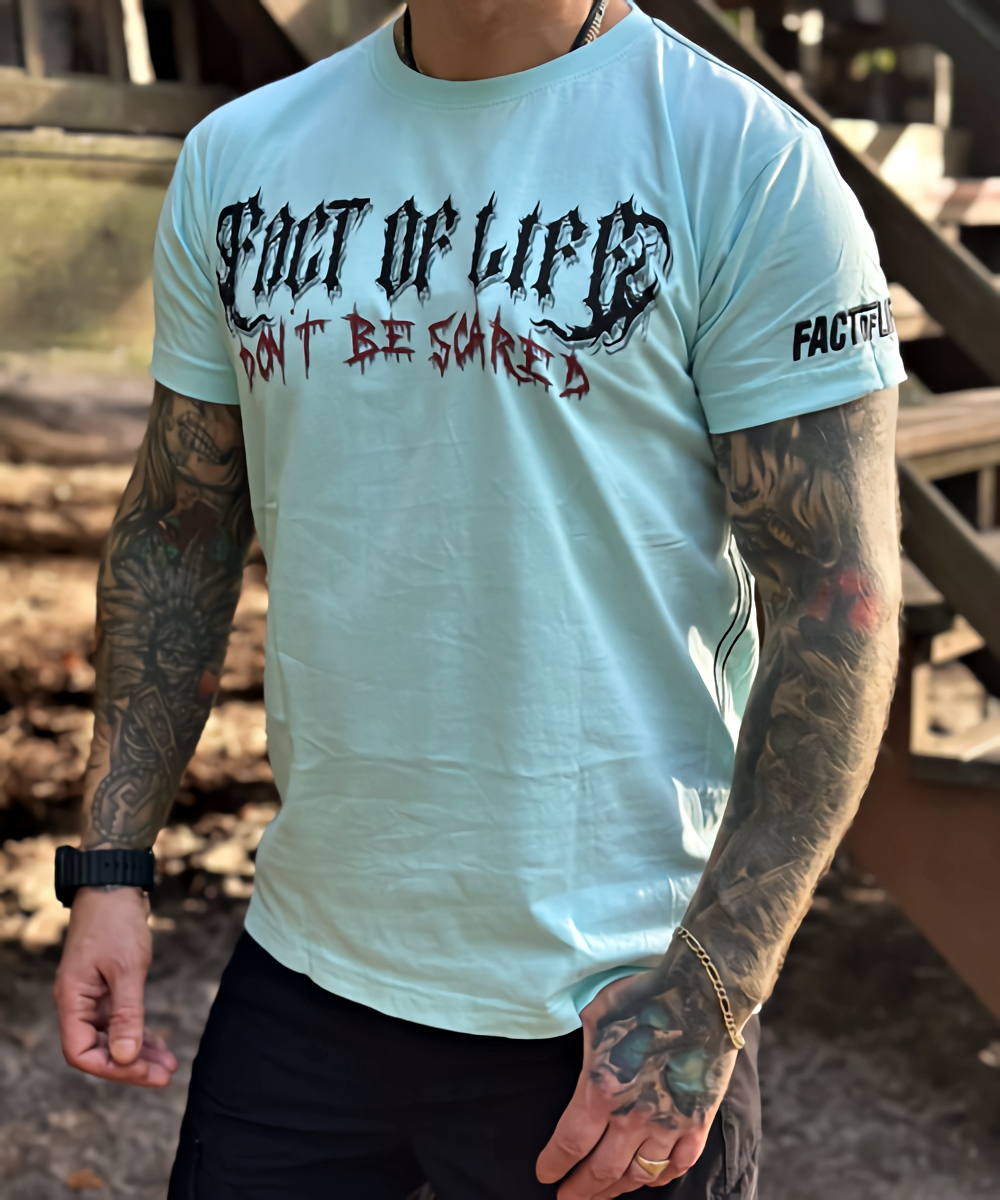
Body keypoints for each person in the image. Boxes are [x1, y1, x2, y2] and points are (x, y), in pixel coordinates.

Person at [53, 1, 904, 1196]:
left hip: (612, 1002)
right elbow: (177, 531)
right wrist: (111, 865)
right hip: (306, 975)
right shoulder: (241, 155)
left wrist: (712, 988)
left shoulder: (743, 162)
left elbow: (836, 602)